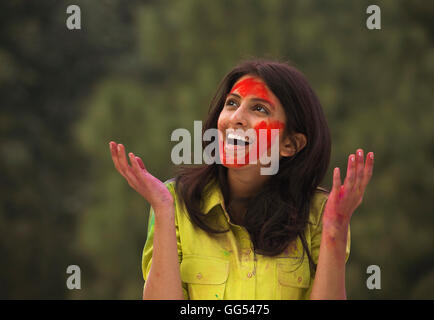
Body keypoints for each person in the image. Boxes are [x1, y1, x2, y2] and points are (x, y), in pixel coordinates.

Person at [109, 59, 375, 300]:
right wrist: (163, 208)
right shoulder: (175, 202)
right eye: (232, 103)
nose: (235, 119)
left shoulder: (322, 213)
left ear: (290, 144)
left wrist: (335, 226)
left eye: (259, 109)